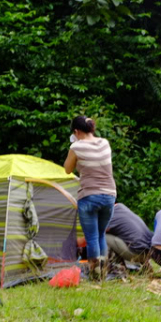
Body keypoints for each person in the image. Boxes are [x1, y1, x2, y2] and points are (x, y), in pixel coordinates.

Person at [64, 116, 116, 278]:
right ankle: (103, 272)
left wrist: (74, 146)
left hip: (89, 196)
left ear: (76, 131)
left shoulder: (77, 146)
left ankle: (94, 274)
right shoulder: (104, 143)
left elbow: (67, 169)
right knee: (100, 234)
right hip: (109, 195)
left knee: (92, 237)